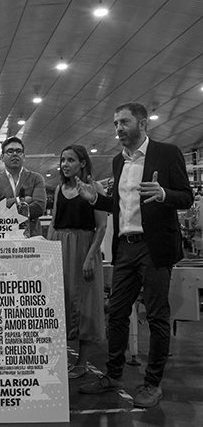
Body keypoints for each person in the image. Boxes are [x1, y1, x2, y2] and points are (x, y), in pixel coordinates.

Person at [76, 102, 193, 408]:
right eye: (116, 123)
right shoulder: (119, 161)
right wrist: (95, 200)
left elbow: (187, 197)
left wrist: (164, 193)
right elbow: (119, 206)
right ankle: (113, 375)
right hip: (125, 247)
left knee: (156, 316)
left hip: (154, 247)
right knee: (116, 313)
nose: (118, 128)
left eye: (124, 122)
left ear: (143, 124)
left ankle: (152, 384)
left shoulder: (167, 153)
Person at [46, 145, 107, 379]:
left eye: (70, 160)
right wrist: (48, 252)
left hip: (84, 247)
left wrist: (91, 256)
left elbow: (102, 226)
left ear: (82, 163)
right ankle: (60, 359)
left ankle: (82, 362)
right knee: (60, 301)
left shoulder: (95, 188)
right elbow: (53, 222)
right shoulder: (60, 189)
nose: (65, 164)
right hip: (60, 245)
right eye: (63, 160)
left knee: (85, 304)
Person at [0, 136, 47, 236]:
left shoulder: (36, 178)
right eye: (10, 151)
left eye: (18, 151)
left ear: (24, 156)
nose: (15, 154)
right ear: (2, 157)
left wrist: (4, 206)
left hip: (31, 237)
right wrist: (20, 201)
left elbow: (39, 208)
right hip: (3, 237)